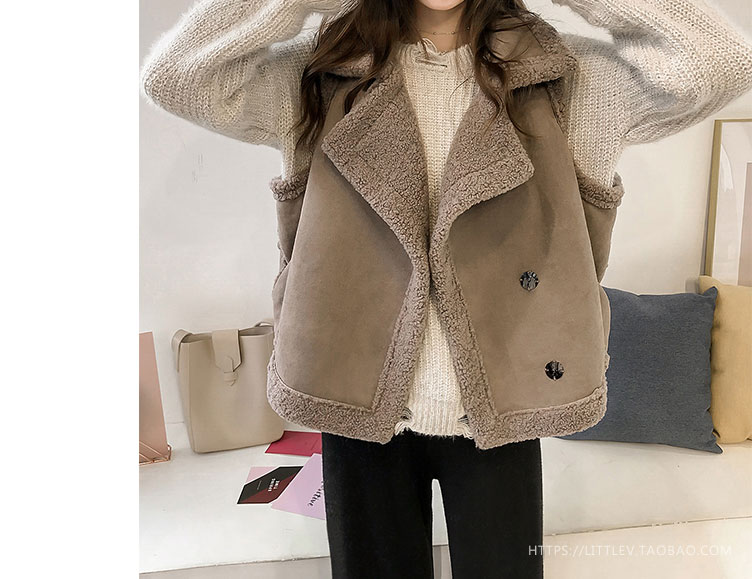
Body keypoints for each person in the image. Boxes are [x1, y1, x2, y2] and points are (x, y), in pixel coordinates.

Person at [140, 0, 751, 576]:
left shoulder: (564, 81)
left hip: (503, 403)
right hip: (355, 399)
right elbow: (178, 80)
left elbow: (720, 63)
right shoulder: (321, 76)